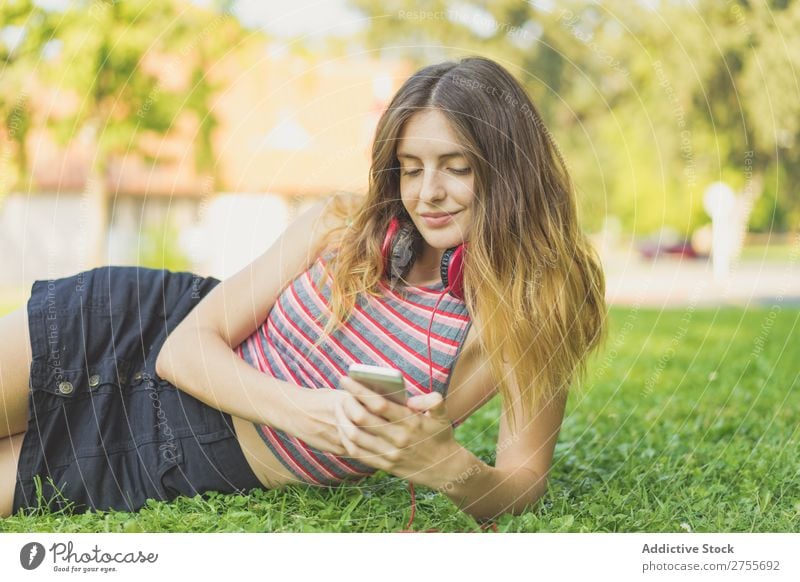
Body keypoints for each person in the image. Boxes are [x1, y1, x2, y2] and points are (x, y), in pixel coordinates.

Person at [0, 55, 606, 523]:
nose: (427, 194)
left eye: (457, 166)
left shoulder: (532, 312)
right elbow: (183, 350)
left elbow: (522, 487)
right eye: (412, 168)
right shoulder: (341, 222)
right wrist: (312, 415)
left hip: (180, 453)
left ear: (509, 169)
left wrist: (445, 465)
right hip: (125, 325)